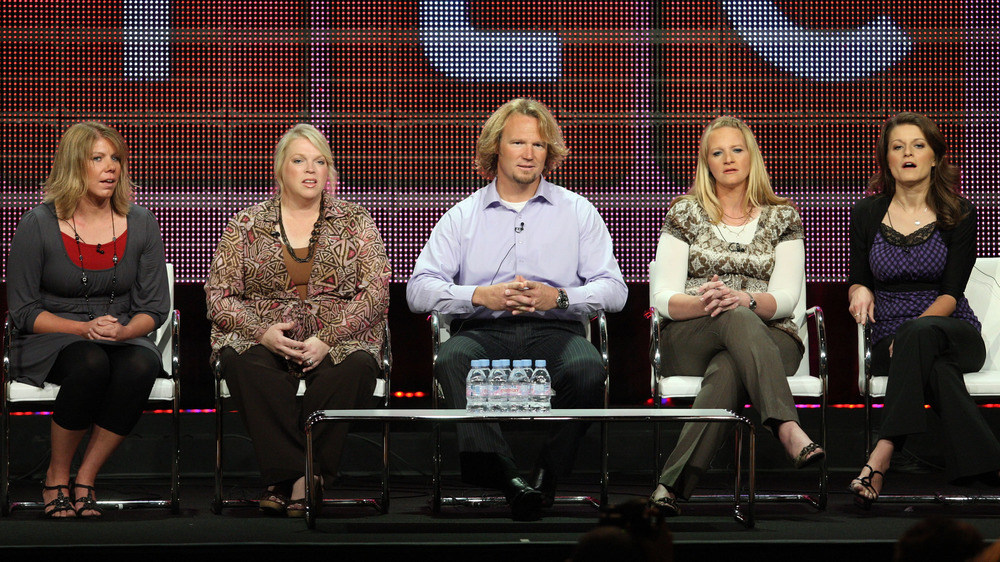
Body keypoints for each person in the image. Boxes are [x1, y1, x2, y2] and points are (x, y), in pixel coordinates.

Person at [406, 98, 628, 521]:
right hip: (482, 332)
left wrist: (559, 298)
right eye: (518, 143)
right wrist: (479, 295)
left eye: (539, 145)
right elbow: (418, 291)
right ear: (496, 148)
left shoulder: (577, 211)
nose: (529, 153)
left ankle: (546, 473)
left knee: (587, 368)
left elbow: (614, 290)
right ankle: (509, 479)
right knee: (451, 359)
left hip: (556, 333)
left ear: (550, 154)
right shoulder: (463, 216)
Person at [206, 123, 391, 517]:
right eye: (300, 160)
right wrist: (262, 333)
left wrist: (328, 336)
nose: (311, 169)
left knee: (351, 368)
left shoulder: (355, 221)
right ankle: (302, 476)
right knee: (246, 364)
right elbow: (218, 296)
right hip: (265, 335)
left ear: (329, 173)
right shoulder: (246, 224)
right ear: (280, 170)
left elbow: (376, 291)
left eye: (320, 161)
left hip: (341, 336)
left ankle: (288, 480)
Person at [647, 116, 824, 516]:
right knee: (734, 315)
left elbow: (786, 299)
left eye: (737, 150)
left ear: (752, 156)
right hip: (693, 332)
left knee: (729, 363)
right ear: (706, 163)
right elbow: (662, 298)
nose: (728, 159)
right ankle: (786, 426)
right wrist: (711, 302)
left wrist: (743, 298)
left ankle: (670, 486)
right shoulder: (684, 213)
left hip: (772, 339)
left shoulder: (784, 217)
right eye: (717, 152)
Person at [6, 122, 170, 518]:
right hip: (52, 334)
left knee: (142, 363)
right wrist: (82, 329)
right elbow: (23, 310)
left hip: (119, 334)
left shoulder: (141, 222)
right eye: (98, 158)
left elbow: (154, 306)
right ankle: (56, 477)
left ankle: (86, 479)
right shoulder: (37, 224)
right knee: (90, 363)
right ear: (74, 165)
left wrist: (128, 330)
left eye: (115, 158)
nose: (110, 168)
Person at [848, 112, 1000, 508]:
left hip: (953, 331)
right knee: (934, 368)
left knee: (920, 339)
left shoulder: (960, 213)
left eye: (917, 145)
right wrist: (859, 290)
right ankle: (987, 462)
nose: (907, 153)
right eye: (897, 147)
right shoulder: (866, 214)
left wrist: (914, 331)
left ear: (935, 156)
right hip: (888, 339)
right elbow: (859, 276)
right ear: (887, 159)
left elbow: (951, 293)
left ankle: (881, 455)